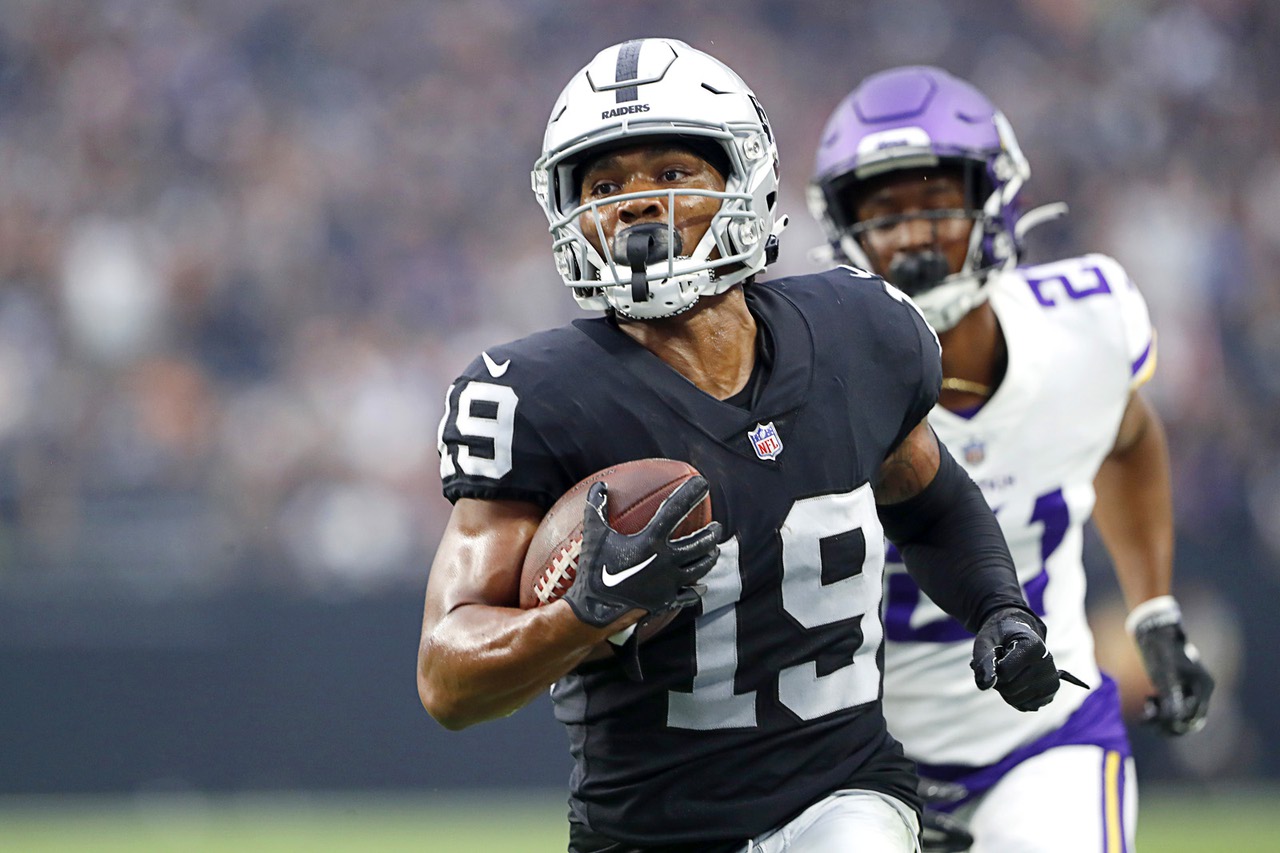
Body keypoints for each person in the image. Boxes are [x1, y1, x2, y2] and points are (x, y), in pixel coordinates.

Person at [420, 40, 1068, 853]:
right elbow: (446, 675)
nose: (632, 205)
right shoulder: (535, 396)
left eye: (669, 172)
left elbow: (930, 506)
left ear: (743, 178)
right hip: (646, 832)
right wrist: (580, 615)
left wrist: (999, 609)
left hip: (843, 792)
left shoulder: (857, 332)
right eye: (604, 185)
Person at [808, 66, 1216, 852]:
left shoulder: (1086, 325)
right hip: (851, 764)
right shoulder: (809, 372)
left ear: (994, 200)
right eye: (884, 214)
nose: (913, 236)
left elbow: (1128, 438)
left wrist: (1153, 610)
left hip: (1044, 735)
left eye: (934, 203)